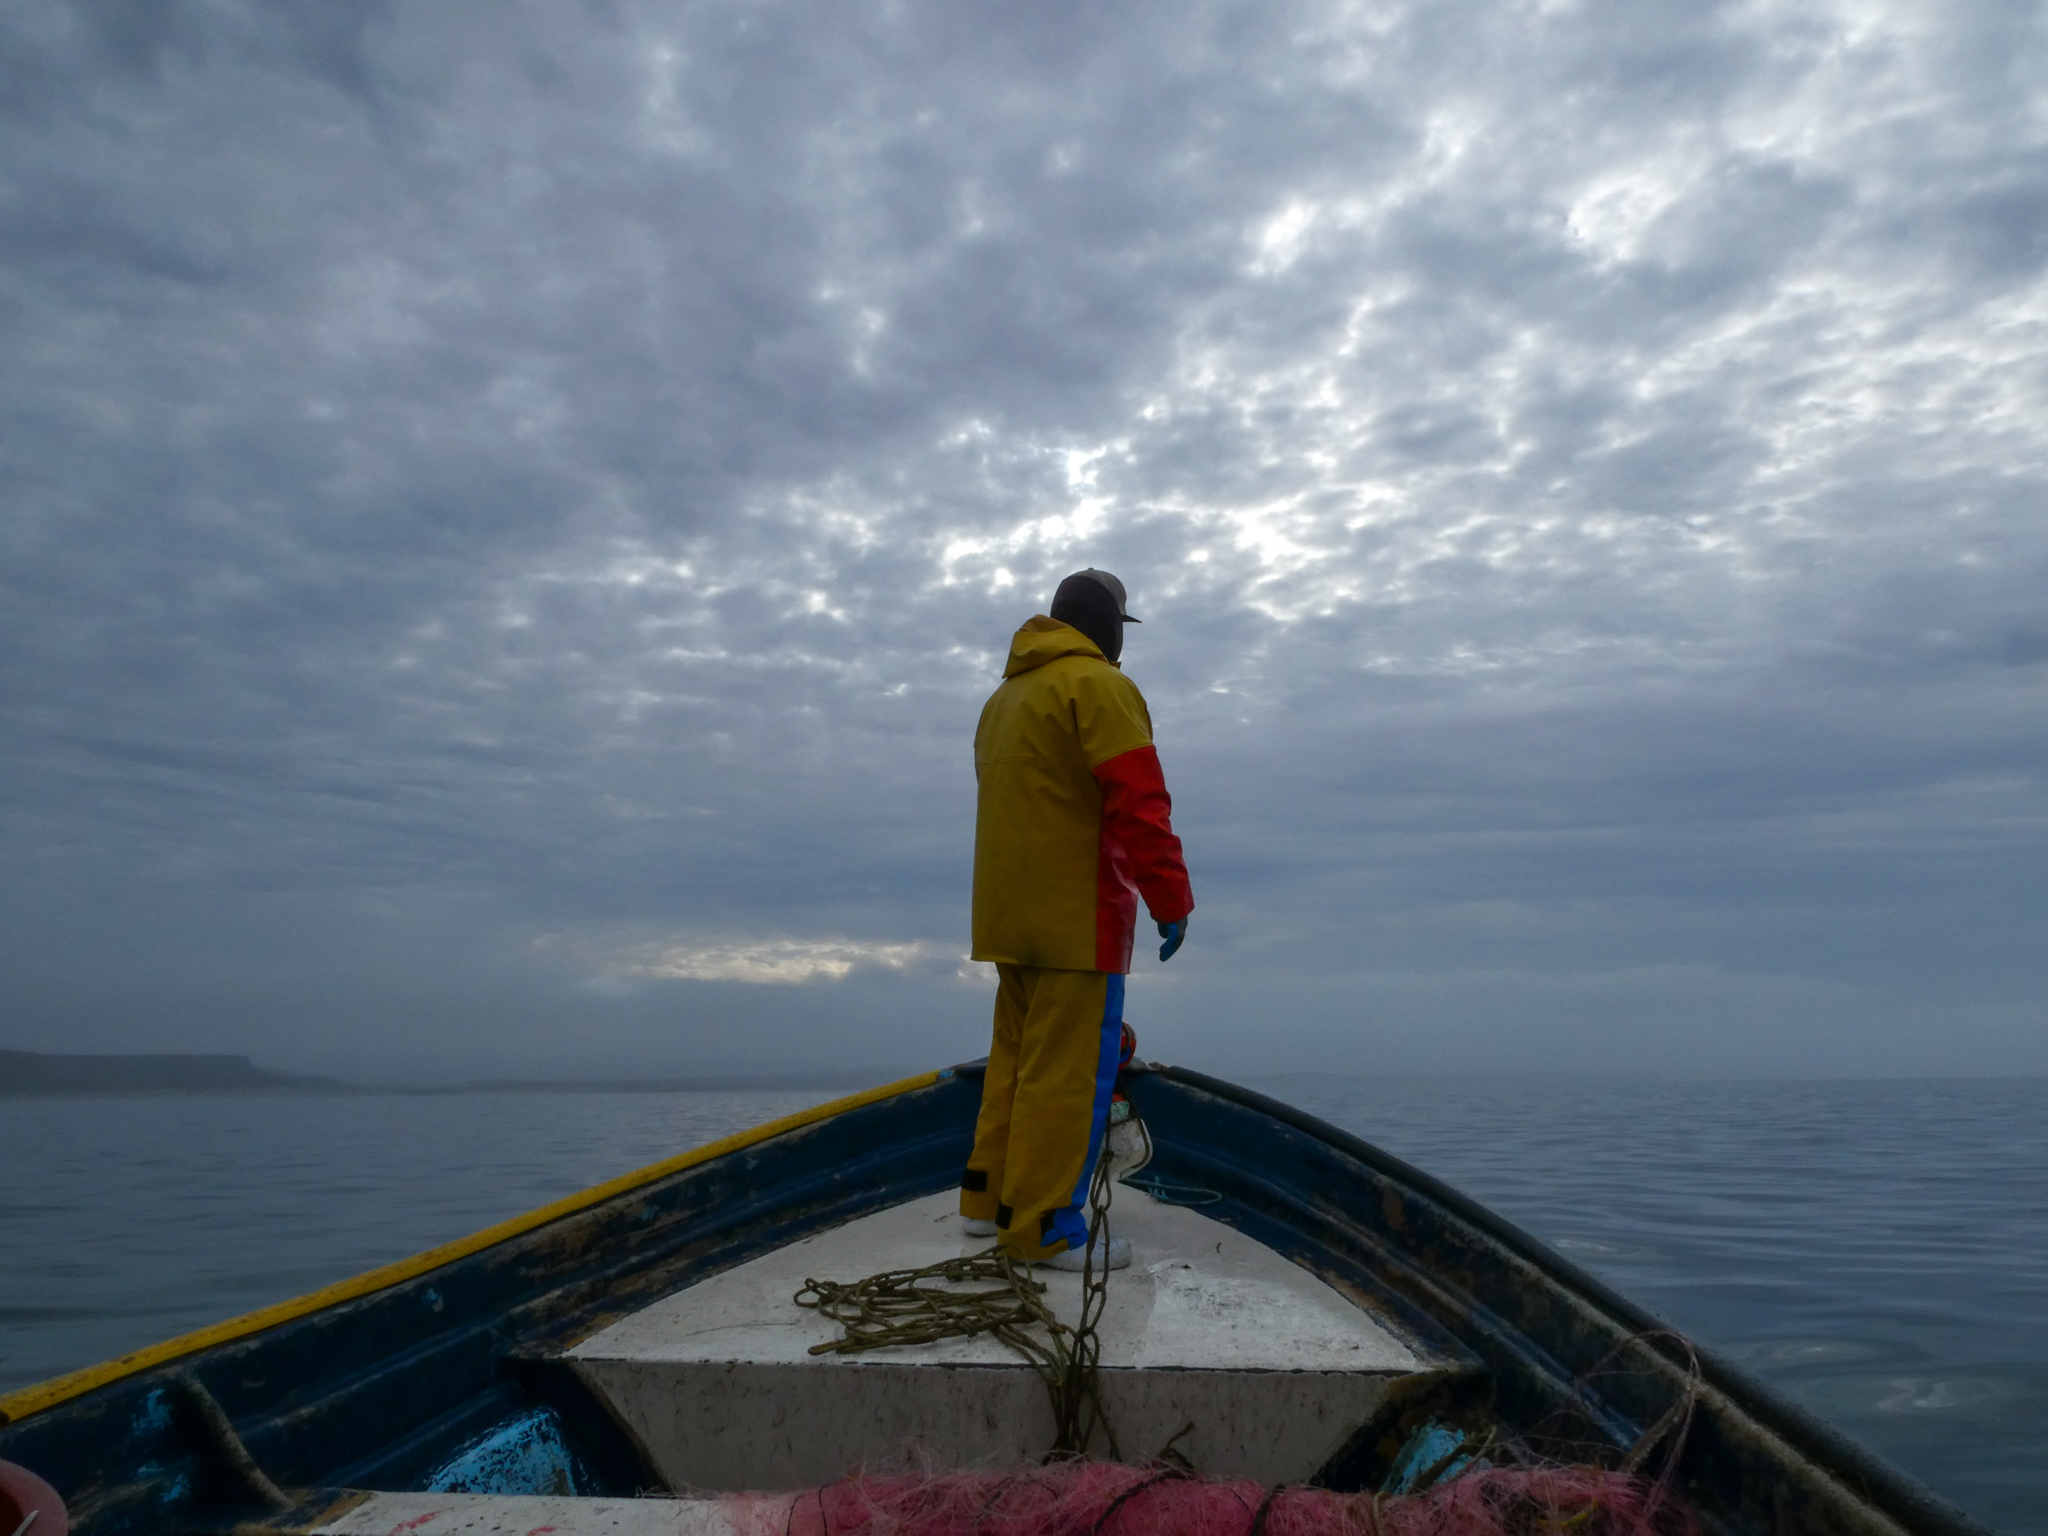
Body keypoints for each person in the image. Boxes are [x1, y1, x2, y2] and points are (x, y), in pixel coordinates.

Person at [960, 568, 1194, 1271]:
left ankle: (986, 1202)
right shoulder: (1102, 688)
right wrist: (1171, 900)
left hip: (1006, 917)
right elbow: (1140, 806)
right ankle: (1043, 1229)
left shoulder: (1004, 699)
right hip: (1077, 921)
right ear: (1111, 629)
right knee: (1064, 1077)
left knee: (1013, 1064)